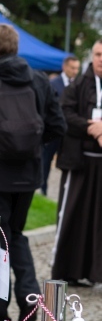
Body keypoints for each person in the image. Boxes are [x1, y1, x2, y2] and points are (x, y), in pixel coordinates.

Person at [0, 24, 66, 321]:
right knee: (18, 234)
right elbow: (57, 125)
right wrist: (34, 149)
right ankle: (29, 295)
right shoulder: (39, 79)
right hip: (28, 175)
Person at [52, 40, 102, 287]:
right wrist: (92, 128)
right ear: (92, 56)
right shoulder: (78, 85)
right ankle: (67, 270)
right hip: (80, 163)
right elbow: (65, 113)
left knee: (97, 219)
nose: (101, 59)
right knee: (73, 216)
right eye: (98, 54)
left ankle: (95, 272)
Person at [41, 55, 81, 195]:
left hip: (70, 133)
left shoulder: (78, 85)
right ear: (64, 67)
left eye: (77, 68)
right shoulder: (53, 84)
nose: (75, 71)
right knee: (46, 161)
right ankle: (43, 189)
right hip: (54, 132)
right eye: (72, 68)